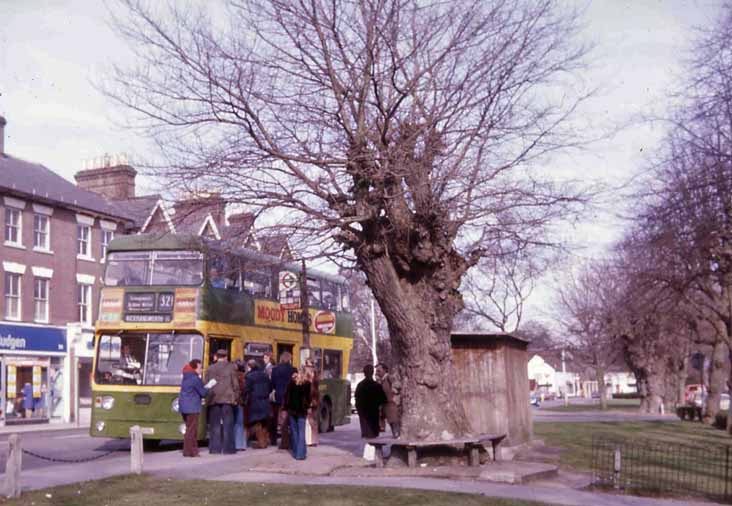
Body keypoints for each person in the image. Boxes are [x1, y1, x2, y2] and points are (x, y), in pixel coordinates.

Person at [205, 349, 240, 454]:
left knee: (215, 425)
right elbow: (235, 384)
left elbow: (206, 384)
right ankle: (228, 448)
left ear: (217, 356)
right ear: (226, 356)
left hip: (214, 399)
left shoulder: (210, 368)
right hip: (228, 399)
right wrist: (236, 397)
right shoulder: (231, 367)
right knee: (228, 424)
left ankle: (215, 448)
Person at [179, 359, 210, 457]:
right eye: (200, 368)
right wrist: (209, 386)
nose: (201, 370)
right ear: (195, 368)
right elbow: (203, 393)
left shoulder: (186, 377)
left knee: (189, 429)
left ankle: (189, 451)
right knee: (192, 430)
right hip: (192, 407)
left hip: (184, 406)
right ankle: (191, 452)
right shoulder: (195, 378)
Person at [355, 364, 387, 460]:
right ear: (372, 373)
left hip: (364, 414)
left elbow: (357, 400)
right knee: (373, 434)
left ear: (364, 373)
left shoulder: (360, 385)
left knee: (366, 433)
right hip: (373, 413)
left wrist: (360, 411)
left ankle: (368, 454)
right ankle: (372, 454)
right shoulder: (376, 385)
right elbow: (383, 399)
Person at [244, 359, 273, 448]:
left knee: (254, 423)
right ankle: (264, 441)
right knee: (263, 422)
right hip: (265, 401)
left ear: (249, 366)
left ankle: (261, 442)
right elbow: (270, 387)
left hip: (254, 401)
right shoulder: (265, 375)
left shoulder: (249, 376)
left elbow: (247, 389)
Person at [283, 369, 311, 460]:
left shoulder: (291, 384)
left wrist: (286, 407)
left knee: (294, 432)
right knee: (301, 432)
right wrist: (307, 406)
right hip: (301, 411)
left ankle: (297, 451)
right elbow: (308, 399)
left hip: (292, 411)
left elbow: (286, 397)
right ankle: (300, 454)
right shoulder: (307, 384)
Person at [270, 352, 296, 447]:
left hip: (279, 397)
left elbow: (272, 384)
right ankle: (291, 440)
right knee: (291, 420)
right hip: (291, 398)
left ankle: (283, 441)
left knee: (281, 420)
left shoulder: (275, 370)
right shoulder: (293, 370)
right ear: (289, 359)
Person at [376, 363, 401, 438]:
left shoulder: (389, 378)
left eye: (379, 371)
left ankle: (398, 437)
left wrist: (394, 397)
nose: (377, 373)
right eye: (376, 371)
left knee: (394, 421)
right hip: (384, 405)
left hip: (391, 404)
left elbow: (398, 387)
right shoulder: (380, 380)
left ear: (385, 370)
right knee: (389, 421)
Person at [304, 359, 319, 446]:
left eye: (308, 366)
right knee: (311, 420)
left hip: (310, 399)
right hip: (312, 399)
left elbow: (311, 390)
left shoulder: (311, 377)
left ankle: (311, 440)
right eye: (307, 366)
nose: (307, 367)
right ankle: (312, 440)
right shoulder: (313, 376)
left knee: (309, 420)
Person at [233, 360, 247, 451]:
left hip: (236, 401)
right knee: (240, 423)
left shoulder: (235, 376)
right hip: (242, 402)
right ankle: (241, 444)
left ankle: (236, 443)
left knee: (235, 423)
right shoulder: (244, 377)